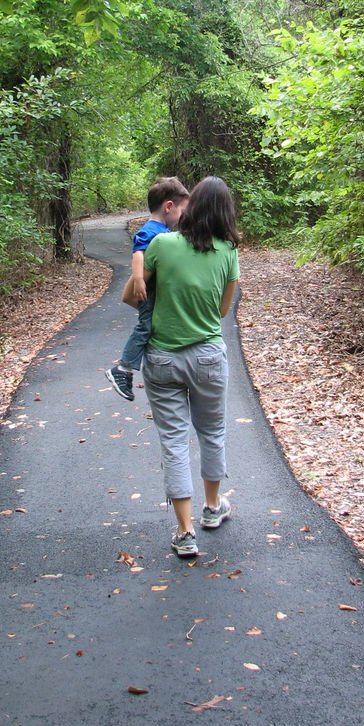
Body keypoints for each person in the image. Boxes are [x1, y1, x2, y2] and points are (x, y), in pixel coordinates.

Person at [139, 176, 240, 557]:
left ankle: (184, 533)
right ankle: (213, 509)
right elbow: (223, 311)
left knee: (174, 442)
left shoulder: (161, 244)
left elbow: (136, 297)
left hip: (163, 358)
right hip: (209, 356)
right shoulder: (228, 251)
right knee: (212, 431)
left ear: (191, 205)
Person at [105, 176, 189, 401]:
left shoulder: (162, 230)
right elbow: (138, 251)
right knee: (145, 326)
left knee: (151, 326)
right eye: (181, 210)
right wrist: (139, 279)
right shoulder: (152, 229)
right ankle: (123, 369)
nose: (182, 217)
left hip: (155, 291)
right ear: (169, 206)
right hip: (148, 291)